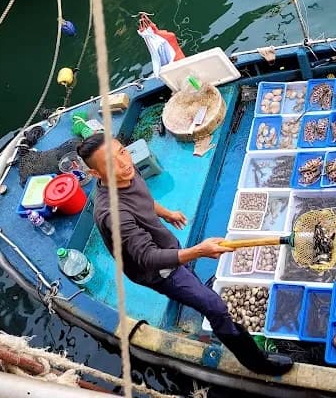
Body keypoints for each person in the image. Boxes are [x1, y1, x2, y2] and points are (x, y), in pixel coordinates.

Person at [76, 134, 293, 376]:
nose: (123, 163)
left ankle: (194, 287)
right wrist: (200, 250)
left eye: (122, 152)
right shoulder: (113, 215)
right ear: (96, 174)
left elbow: (143, 198)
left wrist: (166, 213)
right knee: (215, 307)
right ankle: (256, 363)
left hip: (165, 245)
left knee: (188, 273)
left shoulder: (125, 170)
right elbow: (148, 258)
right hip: (156, 270)